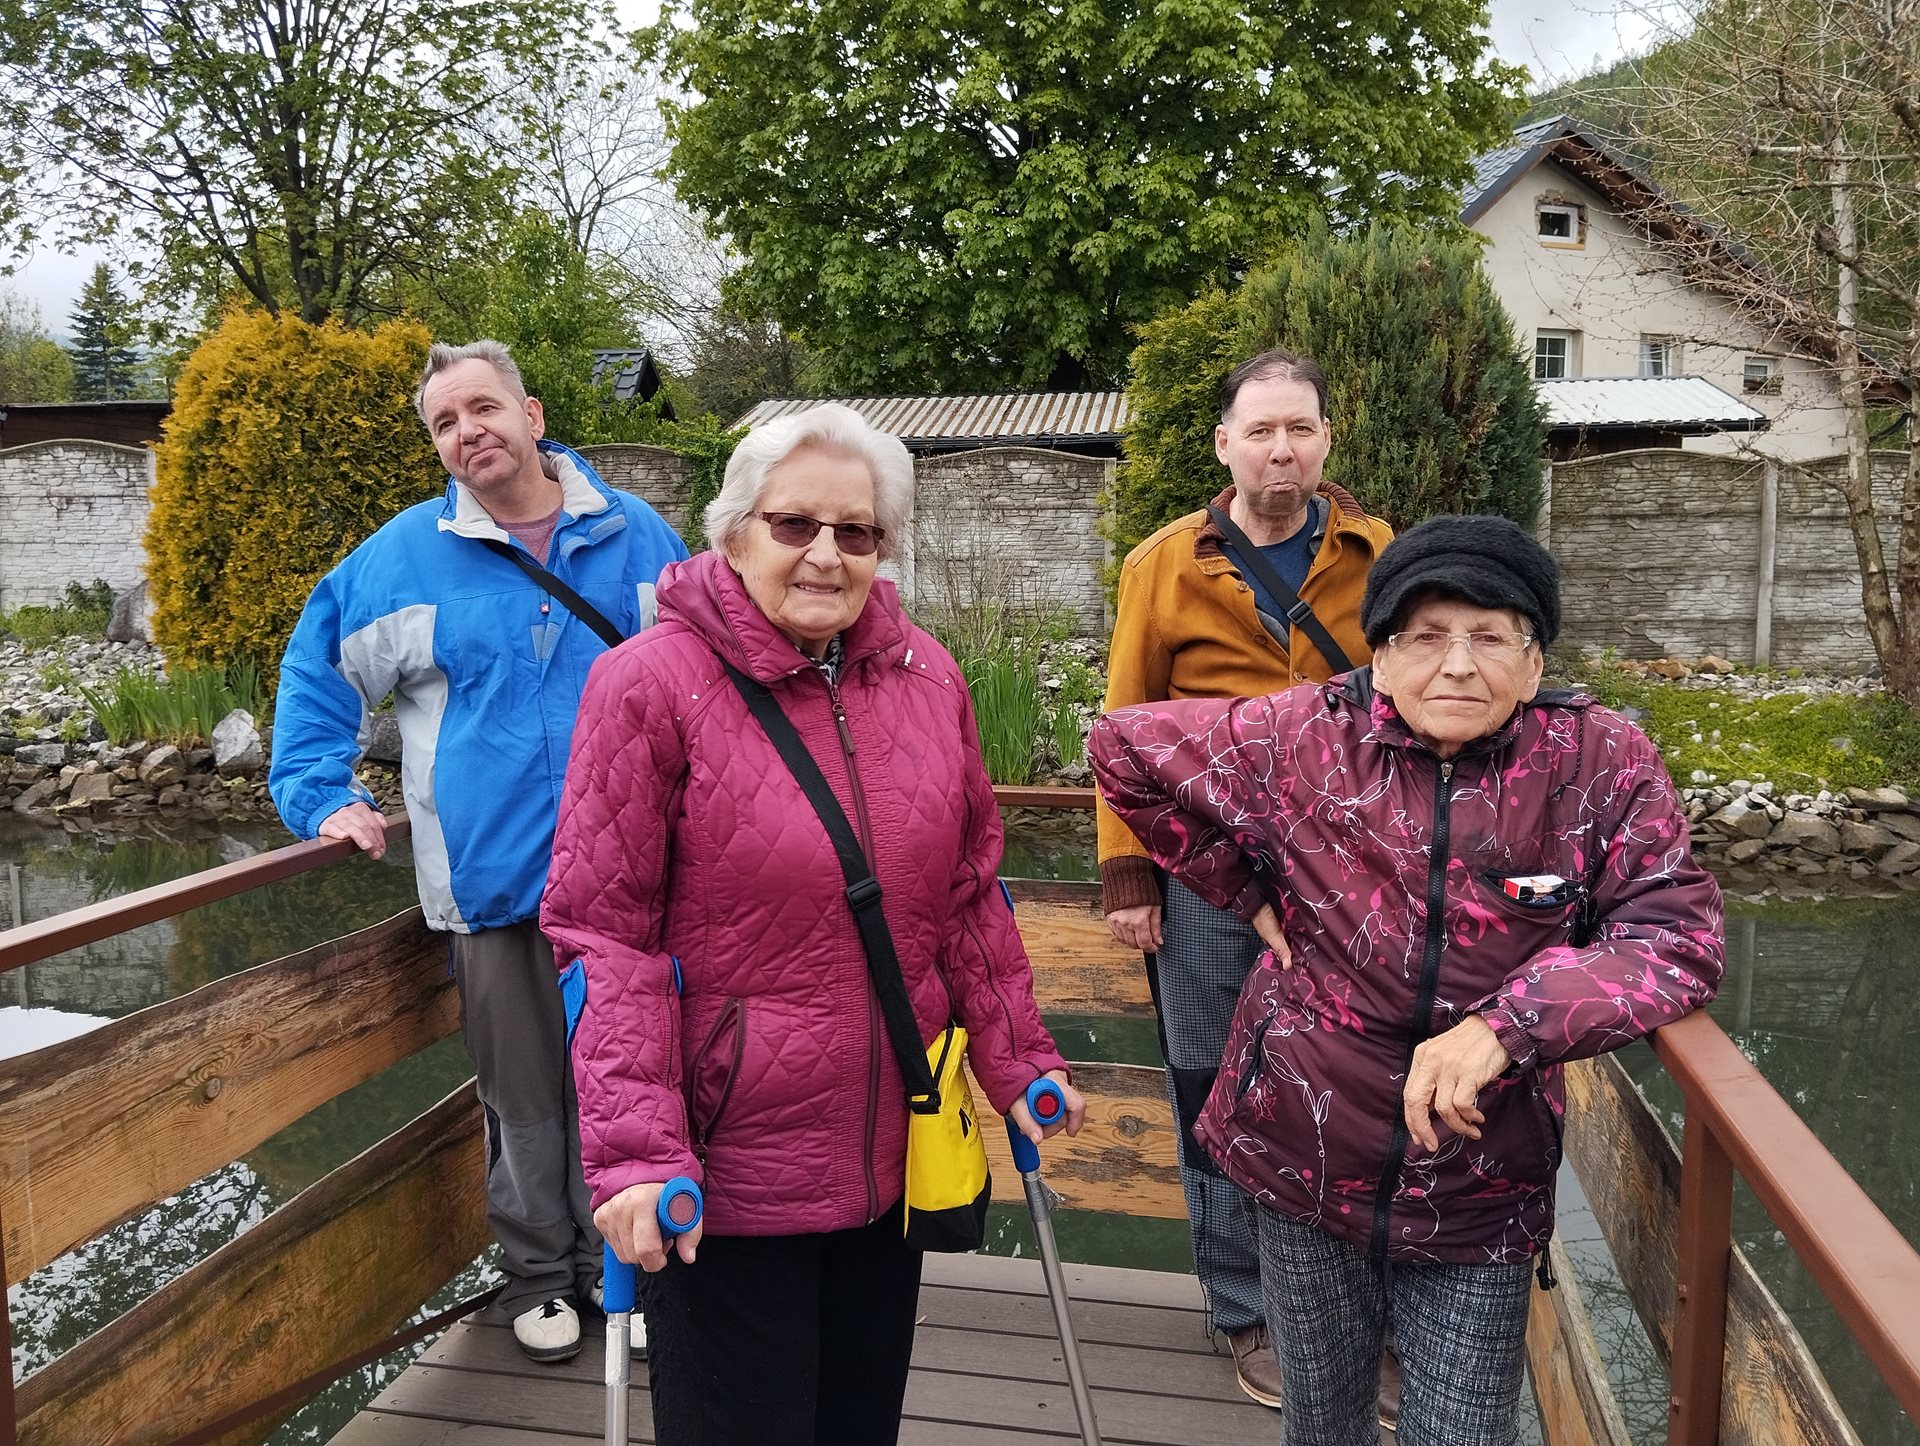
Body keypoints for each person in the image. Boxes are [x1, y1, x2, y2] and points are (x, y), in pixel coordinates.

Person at [1091, 515, 1726, 1446]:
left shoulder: (1600, 764)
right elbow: (1122, 746)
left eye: (1490, 637)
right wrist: (1241, 886)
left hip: (1480, 1181)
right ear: (1381, 658)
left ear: (1534, 665)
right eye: (1426, 636)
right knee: (1323, 1425)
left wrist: (1509, 1026)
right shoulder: (1302, 734)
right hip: (1300, 1155)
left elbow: (1674, 936)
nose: (1458, 665)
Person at [541, 402, 1084, 1446]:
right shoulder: (648, 685)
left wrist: (1017, 1062)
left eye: (858, 532)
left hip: (893, 1148)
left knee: (860, 1426)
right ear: (735, 531)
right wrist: (639, 1152)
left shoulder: (930, 678)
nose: (827, 555)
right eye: (796, 525)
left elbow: (968, 894)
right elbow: (604, 938)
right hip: (728, 1172)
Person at [269, 339, 689, 1364]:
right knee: (525, 1101)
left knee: (635, 1082)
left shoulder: (637, 536)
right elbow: (317, 672)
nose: (468, 432)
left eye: (484, 408)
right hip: (492, 884)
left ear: (532, 416)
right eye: (445, 422)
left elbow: (705, 674)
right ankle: (542, 1277)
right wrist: (324, 796)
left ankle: (628, 1274)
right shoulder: (400, 559)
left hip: (636, 883)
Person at [1098, 347, 1393, 1408]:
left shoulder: (1379, 555)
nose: (1281, 449)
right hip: (1205, 872)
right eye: (1260, 430)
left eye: (1299, 429)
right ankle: (1245, 1309)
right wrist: (1128, 873)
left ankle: (1353, 1314)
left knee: (1355, 1089)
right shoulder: (1163, 565)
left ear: (1325, 441)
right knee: (1211, 1086)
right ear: (1224, 444)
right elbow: (1122, 724)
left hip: (1347, 874)